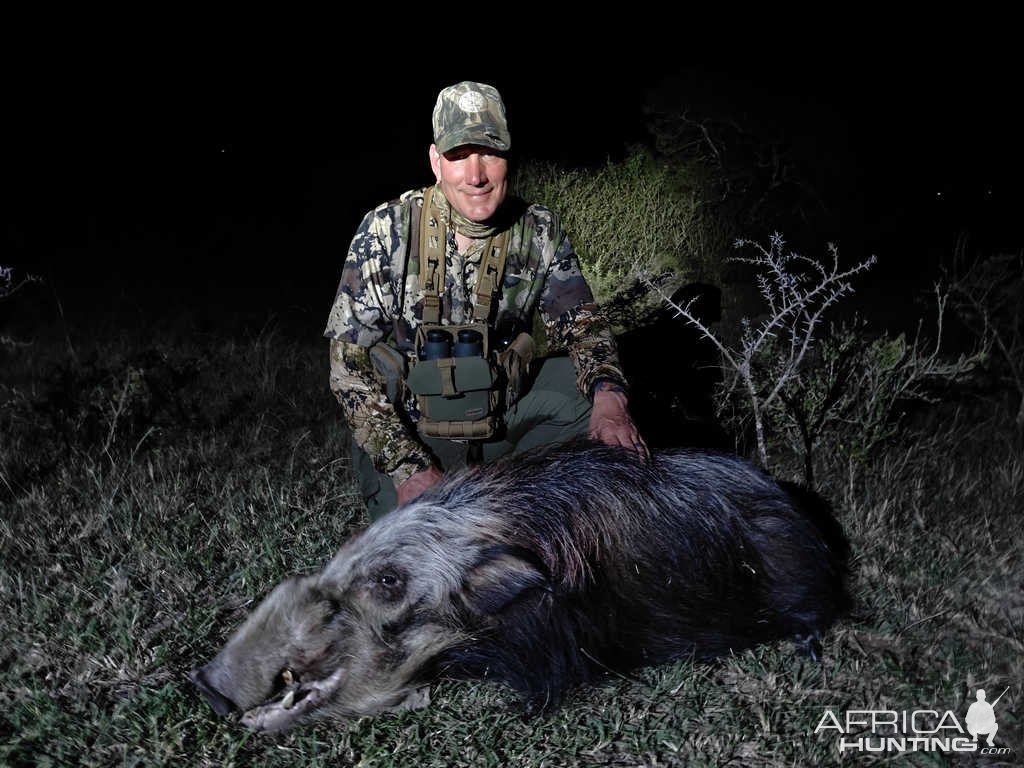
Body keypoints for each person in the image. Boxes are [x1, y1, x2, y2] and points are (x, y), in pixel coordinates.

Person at [324, 80, 645, 520]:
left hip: (502, 416)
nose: (476, 175)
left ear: (508, 155)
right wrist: (408, 467)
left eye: (489, 153)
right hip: (415, 433)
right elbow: (348, 366)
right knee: (422, 550)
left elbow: (583, 327)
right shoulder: (387, 228)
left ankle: (527, 488)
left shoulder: (539, 229)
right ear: (436, 161)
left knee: (588, 401)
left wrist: (611, 401)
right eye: (458, 156)